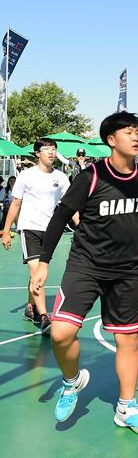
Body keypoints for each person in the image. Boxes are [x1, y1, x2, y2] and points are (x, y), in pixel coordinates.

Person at [31, 112, 138, 434]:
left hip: (125, 270)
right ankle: (72, 381)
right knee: (61, 333)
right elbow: (60, 216)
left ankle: (127, 407)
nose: (136, 137)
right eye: (128, 132)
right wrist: (44, 262)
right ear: (111, 140)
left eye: (137, 131)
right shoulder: (91, 176)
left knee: (128, 339)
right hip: (86, 266)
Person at [2, 138, 71, 335]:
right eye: (47, 149)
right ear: (37, 153)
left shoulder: (61, 178)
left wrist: (81, 223)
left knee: (36, 273)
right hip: (29, 228)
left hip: (51, 231)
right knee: (37, 273)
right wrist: (6, 231)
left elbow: (69, 205)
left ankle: (30, 307)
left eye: (54, 149)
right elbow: (16, 203)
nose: (51, 152)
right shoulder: (26, 175)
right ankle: (44, 317)